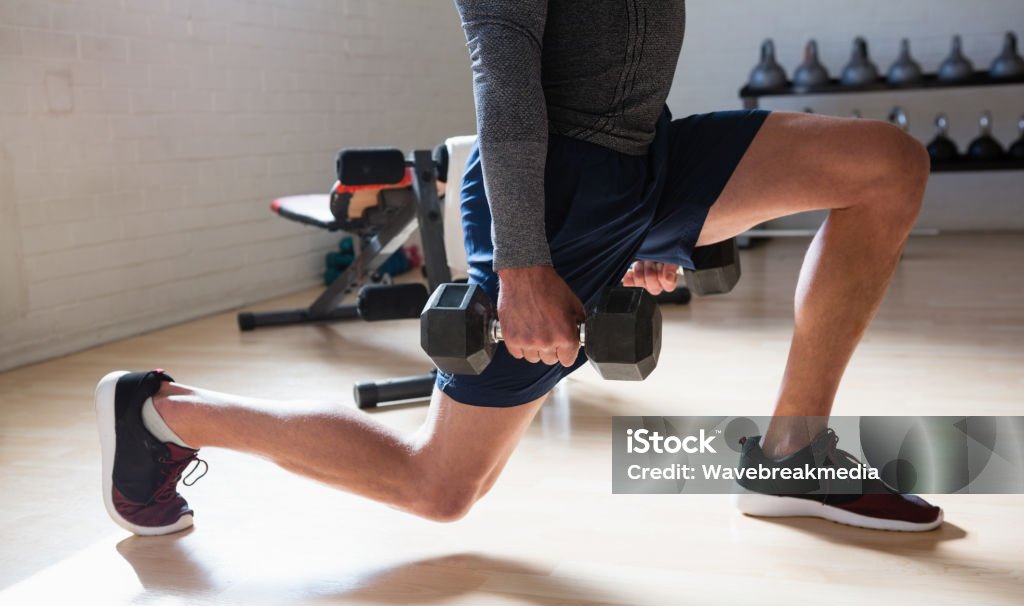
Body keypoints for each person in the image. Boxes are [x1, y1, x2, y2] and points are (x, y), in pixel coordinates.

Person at [94, 0, 942, 536]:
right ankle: (166, 413)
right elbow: (502, 94)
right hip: (553, 190)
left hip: (649, 155)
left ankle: (791, 453)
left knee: (884, 164)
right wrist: (525, 267)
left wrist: (660, 220)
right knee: (438, 488)